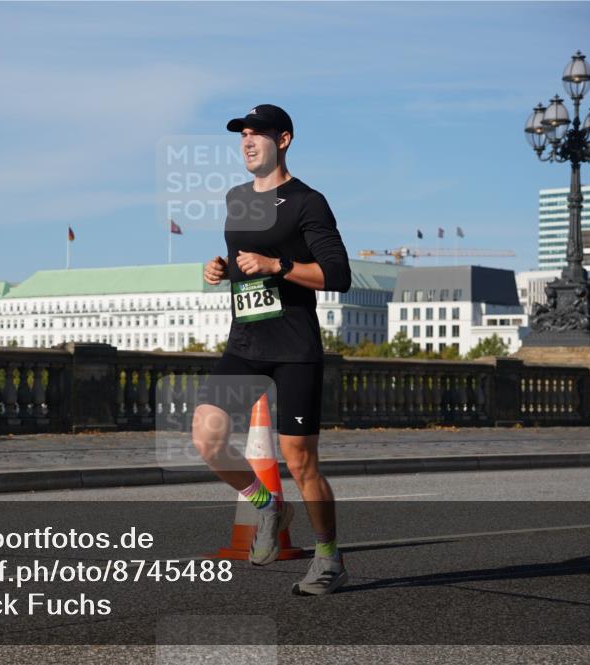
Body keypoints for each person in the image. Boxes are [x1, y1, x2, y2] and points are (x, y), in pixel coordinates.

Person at [193, 104, 352, 596]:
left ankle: (328, 556)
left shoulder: (309, 202)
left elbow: (338, 276)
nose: (247, 141)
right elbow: (246, 266)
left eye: (257, 133)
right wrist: (219, 269)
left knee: (300, 461)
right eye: (242, 134)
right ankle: (266, 503)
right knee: (207, 438)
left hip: (294, 345)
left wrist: (277, 264)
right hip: (245, 341)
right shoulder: (236, 198)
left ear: (283, 140)